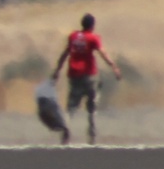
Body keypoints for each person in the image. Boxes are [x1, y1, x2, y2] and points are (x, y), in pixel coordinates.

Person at [50, 12, 120, 146]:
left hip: (74, 75)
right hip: (89, 76)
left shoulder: (73, 37)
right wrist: (114, 67)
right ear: (92, 25)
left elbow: (65, 54)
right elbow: (102, 53)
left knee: (71, 107)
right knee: (92, 107)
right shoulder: (93, 38)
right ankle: (92, 135)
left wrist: (57, 71)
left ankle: (66, 131)